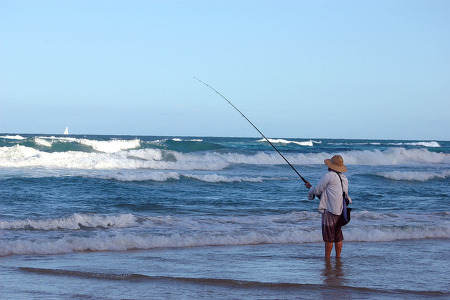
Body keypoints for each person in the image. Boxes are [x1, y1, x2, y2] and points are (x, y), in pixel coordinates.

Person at [305, 155, 351, 259]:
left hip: (330, 210)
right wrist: (312, 187)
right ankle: (338, 257)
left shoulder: (329, 176)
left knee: (329, 236)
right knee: (338, 235)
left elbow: (317, 191)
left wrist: (310, 187)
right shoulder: (344, 178)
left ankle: (327, 259)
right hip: (341, 209)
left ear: (330, 166)